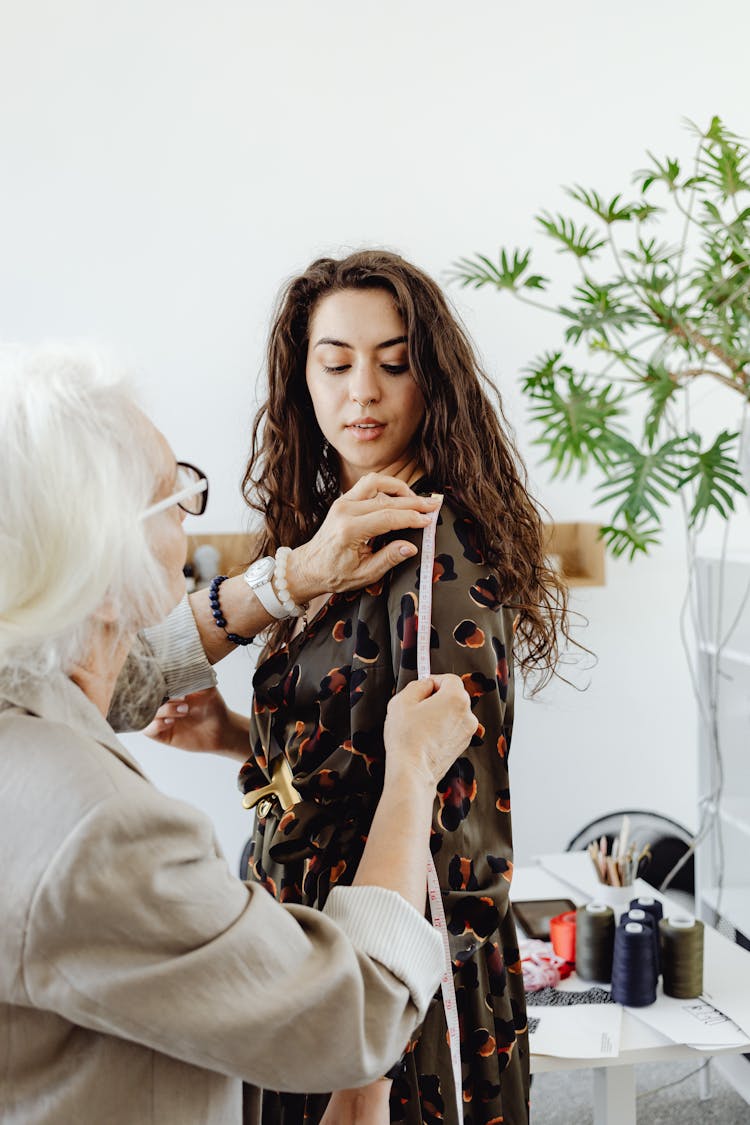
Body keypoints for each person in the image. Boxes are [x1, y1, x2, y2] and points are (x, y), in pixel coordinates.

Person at [0, 346, 481, 1125]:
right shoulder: (99, 833)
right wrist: (412, 775)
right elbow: (350, 1014)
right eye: (172, 498)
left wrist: (290, 579)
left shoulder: (24, 685)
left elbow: (106, 670)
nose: (192, 515)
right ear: (101, 556)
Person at [148, 251, 570, 1125]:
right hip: (306, 956)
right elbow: (354, 753)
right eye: (336, 363)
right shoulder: (334, 531)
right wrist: (236, 735)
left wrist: (362, 1078)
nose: (363, 392)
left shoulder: (429, 550)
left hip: (383, 993)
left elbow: (442, 823)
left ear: (433, 376)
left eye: (394, 360)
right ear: (301, 379)